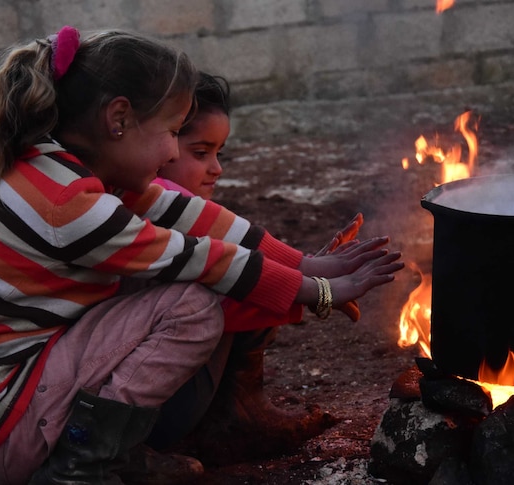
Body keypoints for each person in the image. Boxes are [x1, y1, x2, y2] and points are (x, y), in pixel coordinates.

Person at [0, 26, 404, 485]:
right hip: (0, 427)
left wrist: (304, 263)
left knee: (200, 276)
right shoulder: (68, 205)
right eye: (170, 131)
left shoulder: (58, 169)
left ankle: (194, 427)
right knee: (189, 306)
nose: (172, 153)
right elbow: (202, 257)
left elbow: (193, 217)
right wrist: (319, 293)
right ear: (119, 118)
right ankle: (83, 465)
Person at [147, 72, 364, 465]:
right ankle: (231, 420)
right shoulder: (156, 205)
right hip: (158, 416)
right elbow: (235, 282)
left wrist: (303, 275)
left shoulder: (150, 199)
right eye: (200, 153)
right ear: (159, 141)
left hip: (157, 403)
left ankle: (238, 411)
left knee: (250, 272)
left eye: (219, 154)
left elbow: (244, 252)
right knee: (241, 280)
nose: (216, 168)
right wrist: (309, 290)